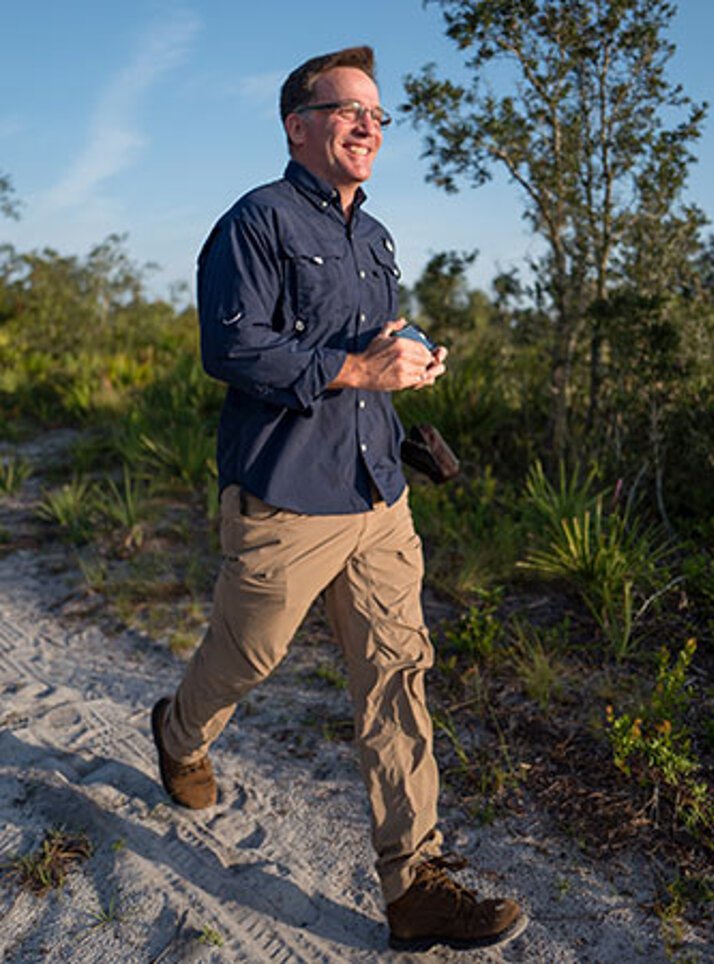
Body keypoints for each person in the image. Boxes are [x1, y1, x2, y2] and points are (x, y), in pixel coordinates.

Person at [151, 45, 528, 953]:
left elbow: (367, 351)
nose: (370, 124)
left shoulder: (377, 236)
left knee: (399, 674)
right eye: (348, 108)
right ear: (298, 124)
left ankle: (415, 887)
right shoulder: (256, 222)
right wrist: (358, 366)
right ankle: (179, 728)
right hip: (286, 496)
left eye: (378, 114)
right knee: (246, 658)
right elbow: (233, 351)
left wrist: (404, 376)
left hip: (376, 495)